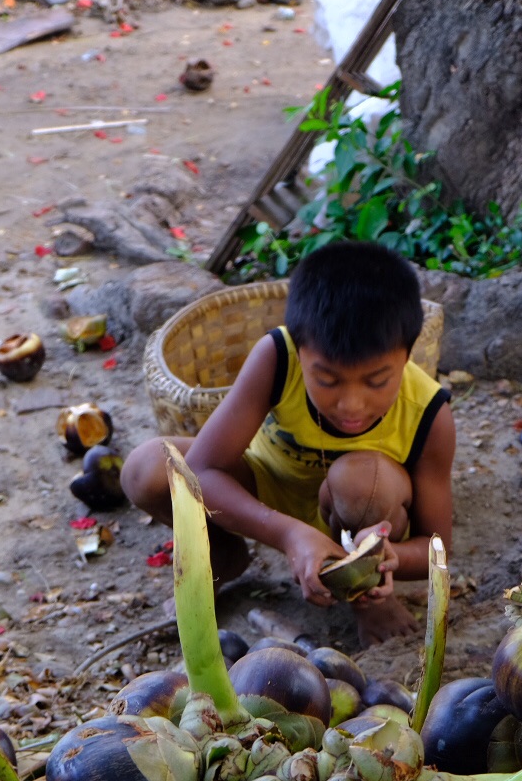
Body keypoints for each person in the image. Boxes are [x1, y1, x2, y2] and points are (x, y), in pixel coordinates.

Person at [121, 241, 455, 645]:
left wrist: (389, 557)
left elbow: (437, 549)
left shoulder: (430, 413)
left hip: (362, 513)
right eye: (327, 380)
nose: (351, 404)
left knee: (360, 482)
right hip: (269, 483)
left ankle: (367, 597)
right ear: (300, 351)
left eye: (377, 381)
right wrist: (288, 534)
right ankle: (222, 555)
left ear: (407, 357)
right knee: (147, 468)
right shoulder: (277, 358)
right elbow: (204, 470)